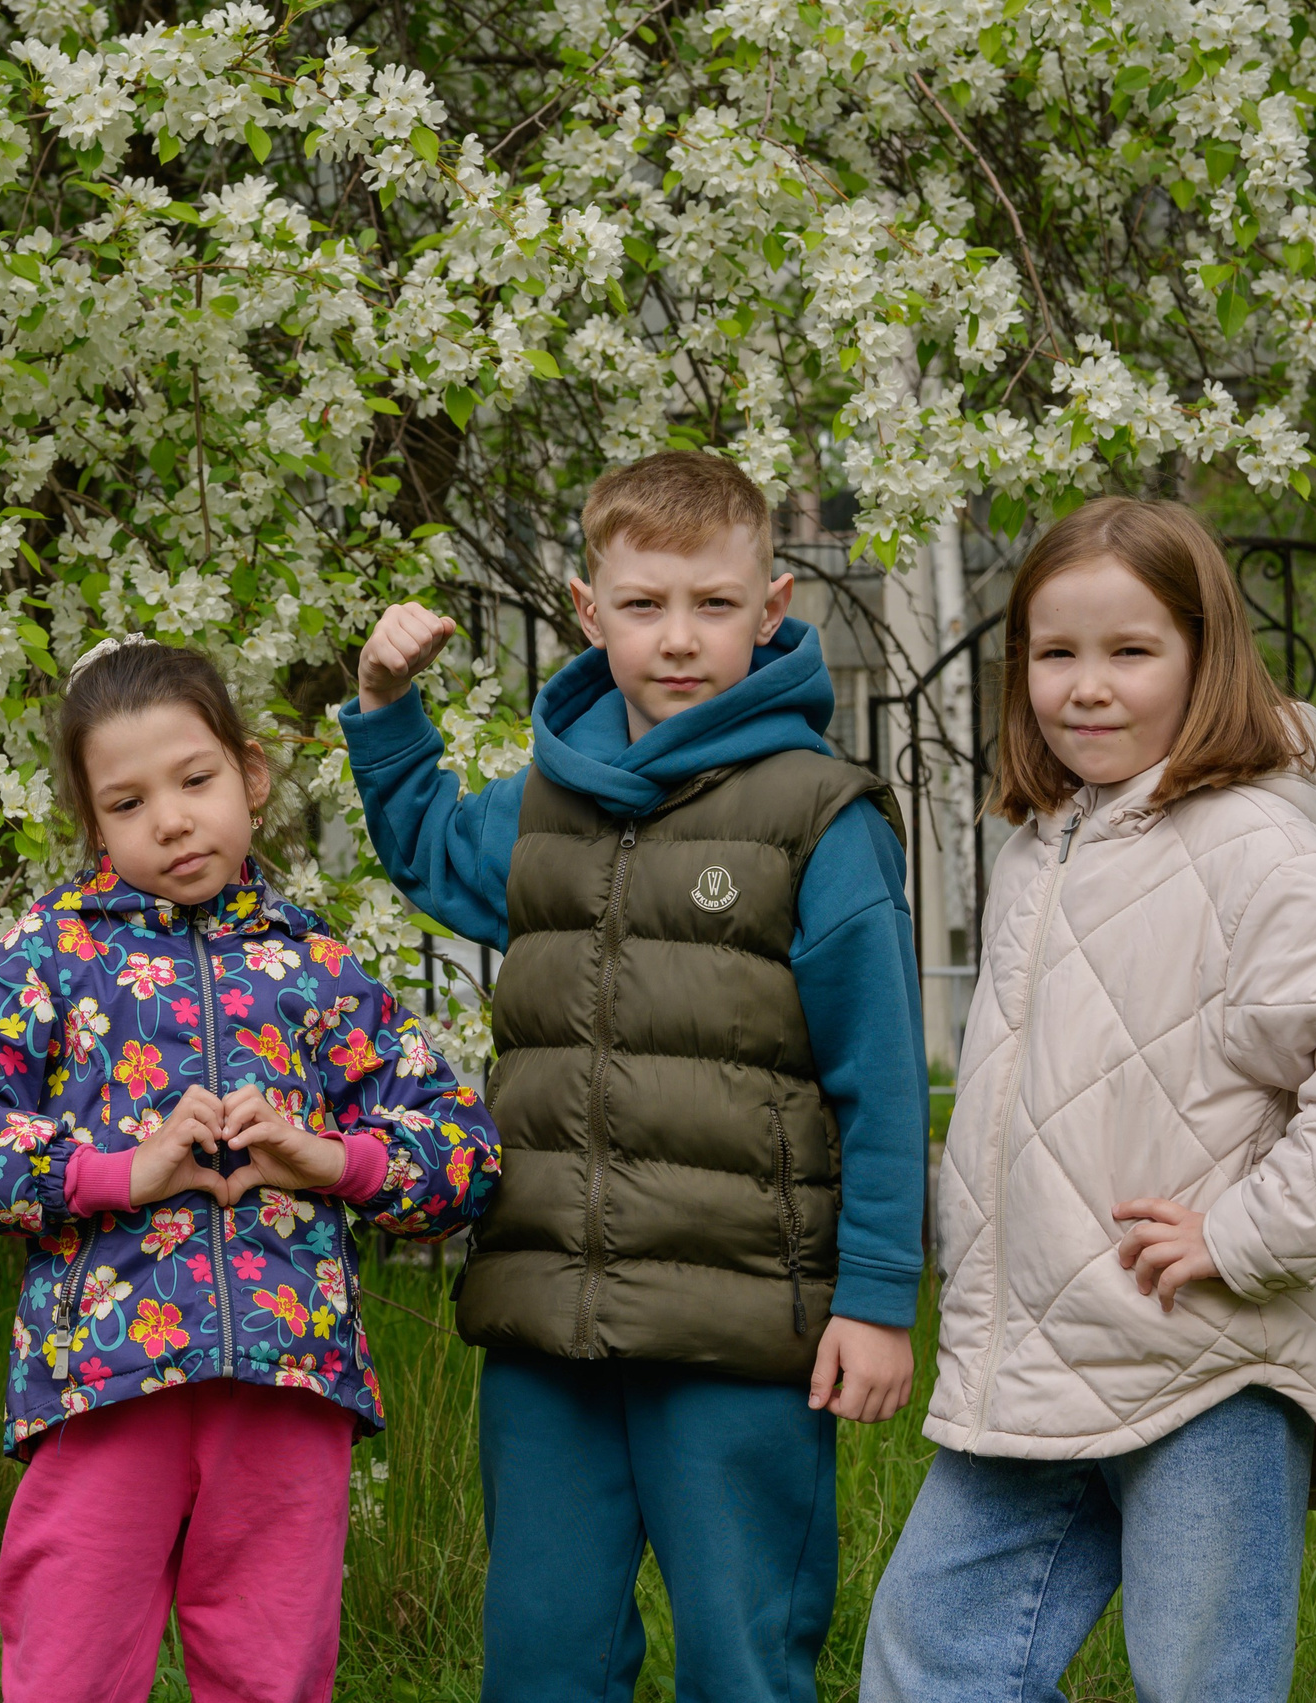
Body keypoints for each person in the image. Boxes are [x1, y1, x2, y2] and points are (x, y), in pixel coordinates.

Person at [342, 450, 931, 1703]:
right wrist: (385, 706)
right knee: (541, 1652)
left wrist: (878, 1297)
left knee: (741, 1656)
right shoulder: (544, 803)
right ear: (585, 607)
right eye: (644, 603)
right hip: (547, 1318)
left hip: (739, 1328)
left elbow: (880, 1074)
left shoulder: (819, 816)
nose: (677, 637)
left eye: (713, 604)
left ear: (771, 608)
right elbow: (431, 848)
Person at [860, 497, 1316, 1703]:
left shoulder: (1252, 845)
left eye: (1130, 650)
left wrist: (1244, 1233)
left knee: (1200, 1681)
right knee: (929, 1655)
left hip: (1206, 1364)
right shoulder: (1041, 843)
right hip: (1038, 1362)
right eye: (1054, 651)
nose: (1086, 686)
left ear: (1203, 656)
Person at [0, 637, 501, 1703]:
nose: (169, 820)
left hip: (287, 1385)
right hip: (104, 1384)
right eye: (127, 803)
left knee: (272, 1677)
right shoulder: (52, 955)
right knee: (70, 1674)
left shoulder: (314, 965)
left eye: (195, 780)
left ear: (251, 776)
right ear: (93, 824)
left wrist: (331, 1159)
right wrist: (116, 1174)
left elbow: (465, 1154)